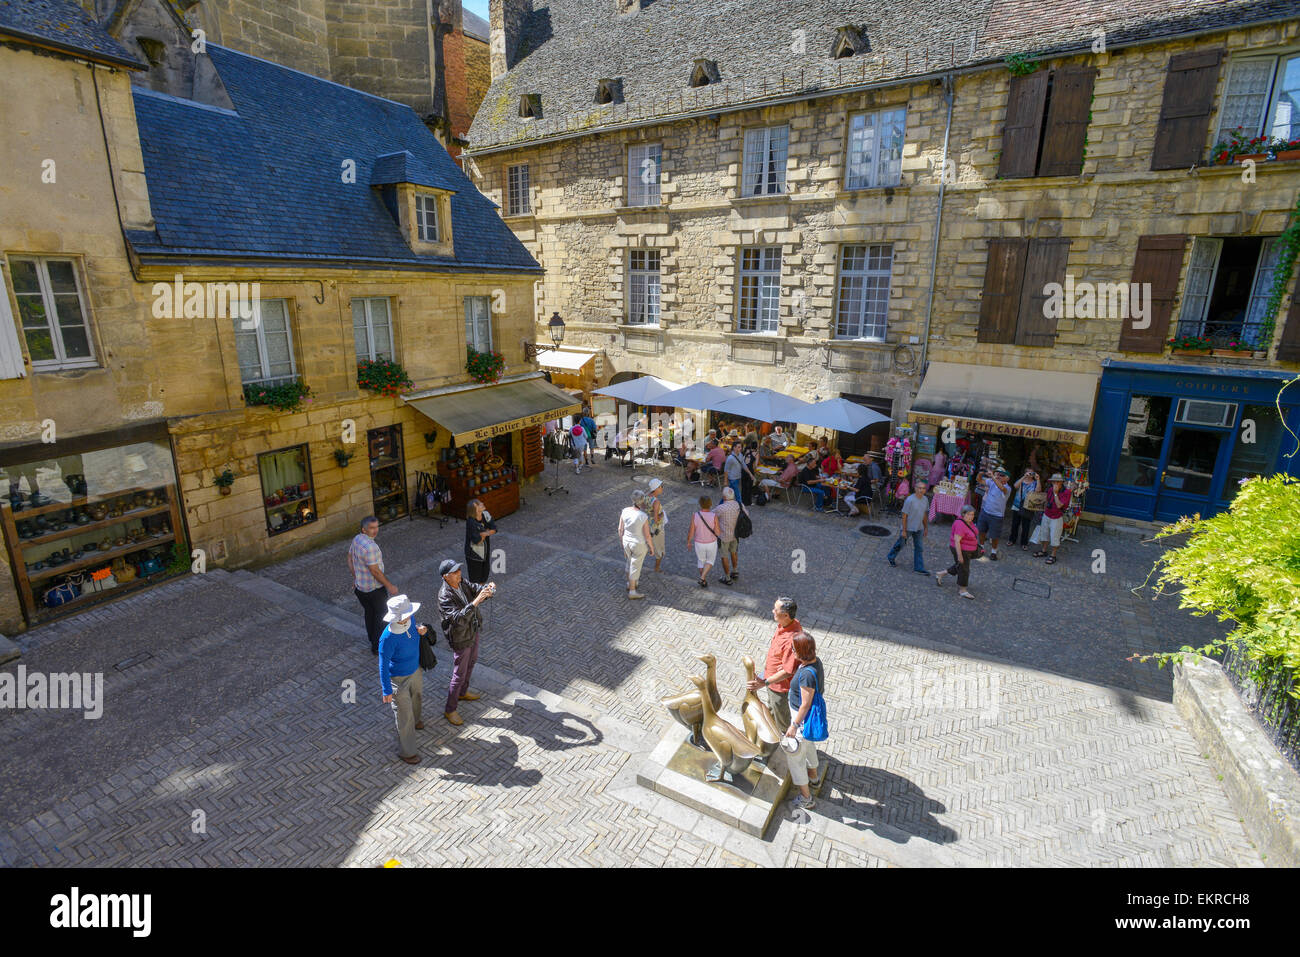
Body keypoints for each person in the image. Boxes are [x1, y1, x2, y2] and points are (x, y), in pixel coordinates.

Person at [436, 558, 494, 726]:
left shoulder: (461, 582)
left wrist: (486, 589)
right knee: (458, 672)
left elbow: (476, 588)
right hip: (460, 636)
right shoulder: (444, 596)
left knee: (472, 661)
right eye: (455, 572)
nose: (459, 574)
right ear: (446, 577)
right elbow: (457, 619)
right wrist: (476, 601)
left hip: (472, 629)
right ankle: (450, 709)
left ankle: (463, 692)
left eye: (459, 570)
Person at [378, 594, 429, 764]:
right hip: (398, 679)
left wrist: (421, 630)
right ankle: (407, 752)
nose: (410, 615)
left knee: (417, 696)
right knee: (403, 714)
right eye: (406, 614)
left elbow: (414, 632)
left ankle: (416, 721)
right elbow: (383, 665)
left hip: (415, 670)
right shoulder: (387, 638)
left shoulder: (411, 620)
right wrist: (386, 689)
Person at [746, 596, 802, 732]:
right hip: (771, 680)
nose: (772, 611)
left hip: (779, 688)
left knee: (781, 718)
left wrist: (763, 683)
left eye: (775, 610)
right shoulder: (786, 624)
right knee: (771, 710)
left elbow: (788, 671)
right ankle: (772, 733)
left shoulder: (792, 639)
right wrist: (763, 676)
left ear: (785, 615)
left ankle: (785, 742)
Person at [785, 631, 825, 813]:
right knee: (808, 747)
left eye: (794, 649)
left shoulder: (806, 675)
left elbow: (805, 704)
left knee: (795, 759)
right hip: (805, 723)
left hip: (801, 722)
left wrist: (793, 726)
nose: (791, 651)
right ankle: (814, 778)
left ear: (801, 651)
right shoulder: (816, 662)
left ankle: (806, 798)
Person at [349, 515, 399, 655]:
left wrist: (356, 577)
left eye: (377, 526)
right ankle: (378, 647)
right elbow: (375, 571)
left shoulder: (357, 539)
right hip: (374, 589)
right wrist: (389, 586)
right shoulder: (371, 547)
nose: (375, 530)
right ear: (364, 529)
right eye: (372, 528)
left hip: (360, 588)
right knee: (382, 616)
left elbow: (349, 558)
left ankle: (372, 639)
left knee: (370, 613)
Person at [935, 504, 979, 599]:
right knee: (964, 569)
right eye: (969, 514)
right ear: (963, 514)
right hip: (961, 550)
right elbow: (957, 541)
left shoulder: (968, 522)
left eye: (972, 515)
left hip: (967, 550)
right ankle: (962, 590)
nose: (971, 517)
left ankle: (941, 573)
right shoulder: (960, 524)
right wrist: (960, 556)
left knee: (960, 566)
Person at [886, 478, 930, 573]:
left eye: (923, 488)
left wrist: (926, 527)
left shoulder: (925, 500)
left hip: (919, 528)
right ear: (915, 488)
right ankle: (891, 557)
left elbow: (924, 515)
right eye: (919, 488)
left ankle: (919, 567)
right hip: (909, 527)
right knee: (901, 544)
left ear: (925, 490)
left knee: (919, 547)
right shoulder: (910, 500)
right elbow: (904, 515)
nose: (921, 490)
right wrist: (904, 530)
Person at [617, 489, 655, 599]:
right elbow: (647, 535)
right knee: (635, 566)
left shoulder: (625, 511)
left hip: (626, 541)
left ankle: (630, 584)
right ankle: (632, 591)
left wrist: (622, 544)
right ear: (642, 501)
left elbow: (620, 529)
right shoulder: (642, 516)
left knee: (629, 563)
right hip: (638, 543)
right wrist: (651, 547)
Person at [1031, 474, 1072, 564]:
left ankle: (1053, 555)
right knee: (1044, 534)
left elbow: (1059, 505)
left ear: (1061, 482)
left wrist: (1056, 493)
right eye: (1053, 481)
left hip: (1057, 517)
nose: (1055, 483)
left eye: (1057, 481)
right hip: (1047, 515)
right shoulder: (1050, 490)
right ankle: (1044, 550)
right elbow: (1047, 501)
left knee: (1055, 537)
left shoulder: (1067, 492)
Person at [974, 467, 1011, 562]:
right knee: (981, 531)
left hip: (997, 516)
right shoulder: (991, 482)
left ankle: (993, 552)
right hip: (985, 511)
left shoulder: (1008, 488)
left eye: (1001, 475)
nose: (998, 476)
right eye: (998, 474)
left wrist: (993, 477)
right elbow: (979, 480)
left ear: (1007, 479)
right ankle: (981, 548)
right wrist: (981, 473)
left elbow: (1002, 488)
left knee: (994, 536)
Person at [687, 494, 720, 588]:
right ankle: (702, 578)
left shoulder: (695, 515)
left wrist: (689, 541)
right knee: (710, 561)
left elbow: (691, 530)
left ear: (700, 504)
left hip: (698, 543)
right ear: (710, 504)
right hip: (711, 543)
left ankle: (704, 580)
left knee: (701, 561)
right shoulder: (714, 516)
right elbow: (717, 532)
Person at [713, 486, 743, 585]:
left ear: (724, 497)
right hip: (735, 535)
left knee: (724, 556)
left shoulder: (721, 508)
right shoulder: (739, 505)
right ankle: (735, 571)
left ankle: (727, 578)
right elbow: (746, 514)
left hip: (724, 536)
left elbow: (711, 516)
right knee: (734, 552)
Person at [463, 498, 497, 583]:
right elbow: (477, 541)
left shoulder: (486, 515)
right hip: (474, 555)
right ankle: (477, 595)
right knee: (475, 579)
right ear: (475, 509)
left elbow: (494, 529)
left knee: (484, 575)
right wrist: (487, 532)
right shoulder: (471, 522)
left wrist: (484, 533)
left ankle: (482, 595)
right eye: (479, 504)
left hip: (485, 553)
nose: (482, 503)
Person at [1008, 468, 1040, 550]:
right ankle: (1012, 539)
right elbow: (1015, 486)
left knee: (1026, 526)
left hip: (1028, 507)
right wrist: (1023, 477)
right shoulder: (1021, 481)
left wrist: (1038, 479)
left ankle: (1024, 543)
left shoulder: (1035, 483)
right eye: (1028, 472)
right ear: (1025, 473)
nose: (1029, 474)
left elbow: (1038, 491)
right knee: (1015, 524)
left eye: (1031, 472)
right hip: (1017, 505)